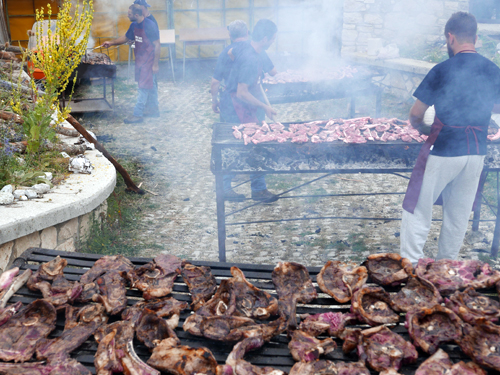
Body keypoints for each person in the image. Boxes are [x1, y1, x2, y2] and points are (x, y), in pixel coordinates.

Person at [400, 11, 500, 266]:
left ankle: (410, 266)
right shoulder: (493, 69)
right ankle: (445, 270)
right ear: (476, 38)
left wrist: (423, 129)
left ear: (450, 37)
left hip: (444, 149)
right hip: (476, 151)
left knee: (417, 207)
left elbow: (416, 114)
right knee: (458, 214)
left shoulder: (442, 69)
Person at [221, 19, 279, 203]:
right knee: (240, 147)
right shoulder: (251, 59)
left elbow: (230, 53)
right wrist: (265, 107)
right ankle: (228, 189)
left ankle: (257, 189)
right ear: (264, 39)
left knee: (255, 146)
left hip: (241, 104)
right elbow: (241, 92)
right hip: (237, 107)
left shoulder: (247, 48)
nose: (273, 42)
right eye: (272, 39)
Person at [102, 4, 160, 123]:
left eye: (129, 14)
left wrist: (155, 64)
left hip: (148, 61)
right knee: (152, 84)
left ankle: (137, 114)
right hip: (140, 60)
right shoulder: (133, 25)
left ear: (136, 15)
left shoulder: (150, 25)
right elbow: (126, 38)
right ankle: (154, 110)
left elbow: (157, 44)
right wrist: (111, 43)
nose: (127, 16)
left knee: (143, 87)